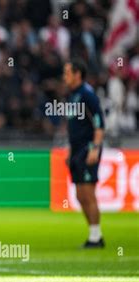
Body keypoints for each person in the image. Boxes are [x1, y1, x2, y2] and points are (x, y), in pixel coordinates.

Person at [63, 59, 105, 248]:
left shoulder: (88, 95)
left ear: (78, 74)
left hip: (88, 149)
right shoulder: (71, 96)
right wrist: (70, 151)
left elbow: (99, 123)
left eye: (68, 72)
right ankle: (94, 234)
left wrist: (95, 148)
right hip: (76, 150)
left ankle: (96, 237)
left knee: (88, 193)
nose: (65, 76)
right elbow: (73, 127)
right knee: (80, 195)